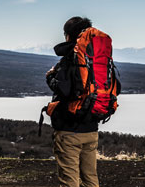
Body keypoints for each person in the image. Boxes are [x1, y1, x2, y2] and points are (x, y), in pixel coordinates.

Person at [45, 16, 98, 187]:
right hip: (91, 128)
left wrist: (51, 78)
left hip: (69, 130)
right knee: (90, 178)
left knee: (70, 181)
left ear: (68, 35)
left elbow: (65, 90)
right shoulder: (97, 58)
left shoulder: (70, 59)